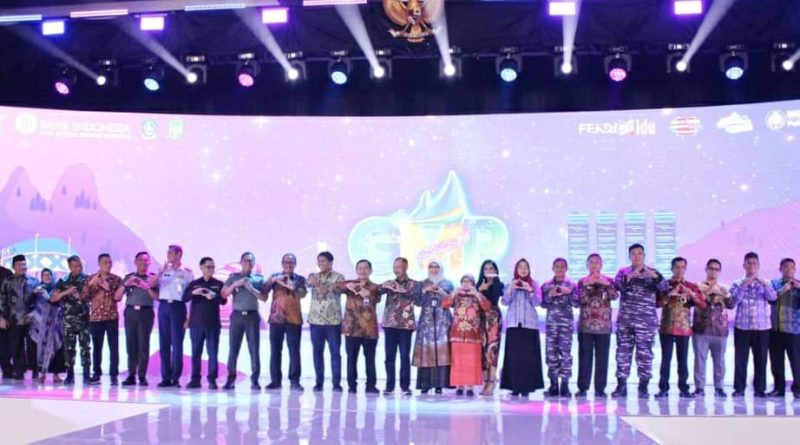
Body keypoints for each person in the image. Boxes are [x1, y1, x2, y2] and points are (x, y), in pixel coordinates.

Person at [612, 244, 664, 399]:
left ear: (644, 256)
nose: (636, 256)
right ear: (629, 256)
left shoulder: (653, 273)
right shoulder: (623, 272)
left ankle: (643, 386)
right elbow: (618, 286)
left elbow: (665, 288)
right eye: (633, 254)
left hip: (646, 322)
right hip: (626, 322)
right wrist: (631, 275)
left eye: (639, 253)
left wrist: (654, 276)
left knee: (645, 355)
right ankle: (621, 385)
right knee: (623, 354)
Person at [655, 257, 706, 398]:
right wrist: (670, 294)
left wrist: (691, 294)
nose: (679, 270)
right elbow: (657, 303)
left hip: (683, 328)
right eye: (677, 267)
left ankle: (684, 389)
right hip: (666, 327)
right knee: (666, 360)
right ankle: (663, 389)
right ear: (672, 269)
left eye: (682, 267)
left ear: (686, 269)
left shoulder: (691, 286)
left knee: (682, 361)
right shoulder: (665, 285)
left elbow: (702, 304)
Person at [730, 252, 777, 397]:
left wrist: (764, 285)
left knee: (761, 359)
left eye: (754, 263)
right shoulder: (737, 283)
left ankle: (760, 389)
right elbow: (733, 302)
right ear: (744, 265)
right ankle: (739, 388)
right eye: (749, 263)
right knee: (740, 360)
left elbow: (773, 298)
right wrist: (744, 285)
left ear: (759, 266)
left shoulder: (766, 282)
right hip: (742, 327)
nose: (751, 266)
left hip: (762, 328)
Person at [222, 252, 268, 390]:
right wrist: (235, 284)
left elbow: (264, 298)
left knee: (254, 349)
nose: (248, 263)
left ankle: (255, 380)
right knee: (233, 349)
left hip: (252, 316)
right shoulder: (233, 277)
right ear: (241, 262)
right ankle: (230, 380)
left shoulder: (258, 279)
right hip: (237, 316)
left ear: (254, 263)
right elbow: (223, 294)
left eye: (251, 261)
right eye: (245, 260)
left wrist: (251, 288)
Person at [500, 258, 545, 398]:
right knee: (514, 357)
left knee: (528, 358)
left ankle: (527, 387)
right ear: (516, 269)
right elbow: (504, 301)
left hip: (529, 325)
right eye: (520, 267)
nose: (523, 269)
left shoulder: (534, 284)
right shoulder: (511, 283)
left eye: (526, 267)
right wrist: (511, 288)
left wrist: (529, 289)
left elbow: (538, 302)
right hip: (513, 324)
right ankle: (514, 387)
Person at [575, 254, 618, 398]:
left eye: (597, 262)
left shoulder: (609, 281)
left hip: (604, 326)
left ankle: (600, 389)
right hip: (585, 326)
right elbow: (579, 301)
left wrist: (606, 284)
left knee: (602, 358)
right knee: (584, 358)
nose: (594, 265)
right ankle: (583, 387)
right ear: (587, 265)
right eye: (591, 262)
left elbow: (614, 296)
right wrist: (586, 285)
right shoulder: (582, 281)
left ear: (601, 265)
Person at [336, 259, 381, 394]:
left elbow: (375, 299)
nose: (362, 271)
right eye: (360, 268)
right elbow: (335, 286)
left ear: (370, 271)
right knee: (351, 359)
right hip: (351, 329)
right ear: (356, 270)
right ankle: (352, 386)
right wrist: (348, 285)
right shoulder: (350, 285)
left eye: (366, 268)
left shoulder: (375, 287)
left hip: (369, 330)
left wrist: (361, 290)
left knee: (370, 359)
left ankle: (371, 386)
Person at [264, 253, 307, 391]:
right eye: (286, 262)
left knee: (294, 351)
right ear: (282, 263)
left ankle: (294, 381)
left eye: (291, 262)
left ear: (295, 264)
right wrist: (272, 280)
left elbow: (303, 294)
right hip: (276, 318)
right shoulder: (275, 277)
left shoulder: (300, 279)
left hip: (294, 319)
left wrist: (291, 286)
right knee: (275, 351)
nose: (288, 265)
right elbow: (264, 291)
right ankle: (275, 381)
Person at [444, 274, 491, 397]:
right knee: (458, 361)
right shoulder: (457, 295)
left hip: (473, 334)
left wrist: (476, 293)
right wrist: (454, 293)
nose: (466, 283)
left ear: (473, 283)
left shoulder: (477, 295)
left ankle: (470, 386)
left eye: (469, 281)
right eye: (463, 281)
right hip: (457, 333)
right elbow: (444, 304)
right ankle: (459, 385)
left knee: (471, 361)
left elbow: (487, 307)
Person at [693, 259, 734, 397]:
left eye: (716, 269)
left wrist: (726, 295)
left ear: (719, 272)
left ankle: (719, 388)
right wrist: (702, 293)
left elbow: (731, 305)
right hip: (701, 329)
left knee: (719, 362)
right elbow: (686, 301)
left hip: (720, 330)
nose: (713, 272)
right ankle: (699, 388)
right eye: (711, 268)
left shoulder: (724, 288)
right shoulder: (697, 287)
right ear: (706, 270)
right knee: (700, 361)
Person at [183, 257, 225, 390]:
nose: (211, 269)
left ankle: (212, 380)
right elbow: (184, 298)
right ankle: (195, 379)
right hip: (196, 324)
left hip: (213, 324)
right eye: (208, 267)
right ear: (201, 267)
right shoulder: (194, 283)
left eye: (213, 267)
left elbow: (223, 301)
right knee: (196, 352)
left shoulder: (218, 284)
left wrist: (214, 296)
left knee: (213, 353)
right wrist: (193, 292)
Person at [155, 245, 194, 388]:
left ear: (179, 254)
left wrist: (189, 317)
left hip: (178, 308)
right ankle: (165, 377)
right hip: (164, 307)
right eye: (167, 252)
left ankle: (175, 378)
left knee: (177, 344)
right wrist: (161, 272)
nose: (168, 255)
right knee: (164, 343)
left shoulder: (187, 273)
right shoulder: (164, 271)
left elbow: (192, 297)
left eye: (170, 253)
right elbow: (151, 284)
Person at [117, 251, 158, 387]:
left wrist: (145, 287)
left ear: (149, 262)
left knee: (143, 344)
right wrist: (126, 284)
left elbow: (157, 297)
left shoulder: (153, 278)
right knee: (131, 344)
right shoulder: (129, 277)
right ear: (135, 262)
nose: (142, 263)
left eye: (145, 260)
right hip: (130, 312)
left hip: (146, 312)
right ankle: (131, 375)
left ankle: (142, 376)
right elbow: (117, 296)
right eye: (140, 260)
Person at [379, 257, 418, 396]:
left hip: (405, 325)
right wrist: (383, 286)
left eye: (399, 267)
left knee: (404, 356)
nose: (396, 269)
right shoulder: (390, 283)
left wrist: (403, 290)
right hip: (390, 324)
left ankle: (405, 386)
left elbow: (418, 298)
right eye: (394, 267)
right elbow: (376, 291)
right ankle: (389, 386)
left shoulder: (413, 284)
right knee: (389, 356)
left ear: (406, 267)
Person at [412, 261, 453, 395]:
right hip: (427, 322)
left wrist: (442, 292)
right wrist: (425, 290)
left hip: (443, 321)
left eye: (436, 267)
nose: (434, 270)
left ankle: (439, 384)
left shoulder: (447, 284)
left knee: (441, 350)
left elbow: (453, 302)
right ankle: (425, 384)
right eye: (431, 267)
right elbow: (417, 302)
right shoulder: (422, 283)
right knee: (426, 350)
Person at [307, 251, 346, 392]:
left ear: (331, 262)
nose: (320, 264)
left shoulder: (338, 277)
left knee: (335, 353)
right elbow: (304, 286)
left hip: (332, 322)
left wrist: (316, 283)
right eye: (319, 261)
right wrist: (311, 280)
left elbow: (323, 291)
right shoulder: (314, 276)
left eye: (323, 261)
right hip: (315, 321)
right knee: (317, 352)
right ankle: (319, 382)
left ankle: (336, 383)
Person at [82, 253, 123, 385]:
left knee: (114, 347)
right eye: (105, 262)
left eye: (110, 262)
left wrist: (108, 288)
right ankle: (97, 373)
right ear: (99, 264)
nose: (108, 265)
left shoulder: (116, 279)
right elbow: (84, 297)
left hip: (111, 317)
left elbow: (118, 298)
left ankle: (113, 375)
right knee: (97, 348)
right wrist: (90, 285)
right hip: (96, 318)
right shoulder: (91, 278)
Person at [49, 255, 91, 385]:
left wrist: (81, 296)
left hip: (84, 320)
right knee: (69, 349)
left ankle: (86, 375)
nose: (78, 268)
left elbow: (92, 297)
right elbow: (53, 298)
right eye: (75, 266)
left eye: (79, 265)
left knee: (85, 348)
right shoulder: (64, 281)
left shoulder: (88, 279)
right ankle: (70, 375)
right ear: (69, 267)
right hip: (68, 321)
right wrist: (66, 292)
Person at [541, 258, 578, 397]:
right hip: (551, 325)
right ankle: (553, 384)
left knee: (566, 355)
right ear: (552, 268)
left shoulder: (572, 285)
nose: (560, 269)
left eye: (562, 267)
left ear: (566, 269)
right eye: (557, 266)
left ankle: (565, 385)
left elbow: (576, 303)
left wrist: (568, 293)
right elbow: (543, 304)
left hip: (566, 325)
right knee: (551, 354)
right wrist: (550, 295)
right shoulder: (546, 285)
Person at [0, 255, 42, 380]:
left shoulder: (34, 281)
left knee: (32, 346)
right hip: (14, 319)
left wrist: (34, 313)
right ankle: (19, 371)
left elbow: (40, 301)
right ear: (13, 267)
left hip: (31, 320)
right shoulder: (7, 281)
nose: (22, 267)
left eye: (24, 264)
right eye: (19, 265)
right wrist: (2, 317)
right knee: (16, 347)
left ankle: (35, 371)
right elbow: (2, 300)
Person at [768, 258, 800, 398]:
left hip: (794, 330)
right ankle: (778, 389)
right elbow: (771, 299)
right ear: (780, 269)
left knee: (796, 361)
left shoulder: (798, 284)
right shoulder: (774, 283)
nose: (789, 269)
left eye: (792, 267)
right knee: (776, 361)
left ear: (795, 270)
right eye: (786, 267)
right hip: (776, 329)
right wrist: (784, 288)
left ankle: (798, 389)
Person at [29, 268, 66, 384]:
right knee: (41, 349)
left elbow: (59, 303)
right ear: (41, 277)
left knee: (57, 347)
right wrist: (33, 294)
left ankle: (56, 375)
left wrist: (48, 297)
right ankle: (42, 374)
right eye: (44, 275)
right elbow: (32, 305)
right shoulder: (37, 290)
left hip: (55, 323)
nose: (47, 277)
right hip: (41, 325)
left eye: (49, 274)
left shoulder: (57, 289)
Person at [477, 259, 504, 396]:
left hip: (493, 319)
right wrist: (480, 289)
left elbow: (494, 299)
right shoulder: (478, 285)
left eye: (491, 269)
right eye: (486, 269)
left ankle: (492, 383)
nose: (488, 271)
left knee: (492, 350)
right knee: (482, 351)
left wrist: (490, 284)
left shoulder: (499, 285)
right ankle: (485, 382)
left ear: (495, 271)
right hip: (480, 319)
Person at [0, 264, 12, 379]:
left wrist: (2, 317)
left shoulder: (6, 273)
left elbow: (8, 297)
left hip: (4, 316)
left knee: (4, 346)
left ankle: (7, 370)